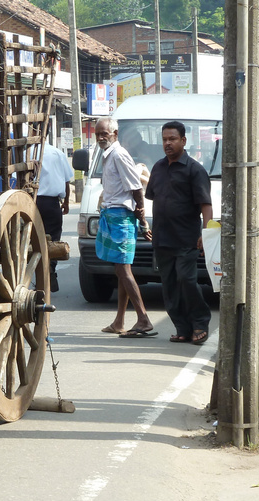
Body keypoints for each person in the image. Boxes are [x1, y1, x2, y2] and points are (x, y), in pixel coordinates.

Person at [145, 120, 212, 345]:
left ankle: (200, 322)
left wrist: (207, 232)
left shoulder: (195, 170)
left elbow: (205, 204)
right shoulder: (158, 167)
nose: (167, 143)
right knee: (170, 286)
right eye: (164, 139)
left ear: (184, 140)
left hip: (187, 239)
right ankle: (182, 327)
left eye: (172, 139)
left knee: (187, 280)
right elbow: (153, 196)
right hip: (162, 238)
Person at [93, 117, 154, 337]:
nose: (101, 137)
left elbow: (136, 188)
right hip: (112, 215)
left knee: (123, 270)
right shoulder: (108, 154)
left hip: (122, 216)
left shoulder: (118, 154)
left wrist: (142, 219)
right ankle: (119, 321)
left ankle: (144, 319)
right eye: (98, 134)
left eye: (105, 134)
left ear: (115, 134)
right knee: (120, 270)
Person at [37, 139, 73, 292]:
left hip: (32, 202)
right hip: (52, 203)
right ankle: (50, 269)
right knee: (53, 237)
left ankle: (39, 268)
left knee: (34, 237)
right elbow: (66, 181)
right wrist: (66, 202)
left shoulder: (27, 152)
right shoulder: (57, 153)